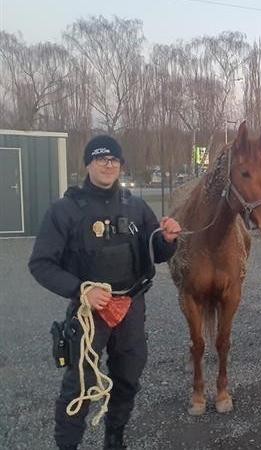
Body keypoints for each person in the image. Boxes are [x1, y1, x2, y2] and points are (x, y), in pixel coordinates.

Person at [29, 135, 182, 450]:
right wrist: (80, 291)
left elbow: (157, 253)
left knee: (128, 379)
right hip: (89, 315)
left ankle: (115, 439)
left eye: (114, 159)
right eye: (101, 159)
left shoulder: (137, 207)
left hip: (131, 308)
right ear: (88, 164)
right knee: (78, 387)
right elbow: (41, 264)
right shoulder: (64, 210)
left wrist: (167, 239)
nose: (108, 164)